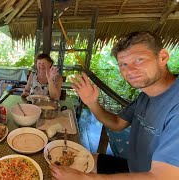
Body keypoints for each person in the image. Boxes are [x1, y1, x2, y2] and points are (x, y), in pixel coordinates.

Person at [51, 31, 179, 179]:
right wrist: (92, 102)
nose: (130, 70)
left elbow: (162, 177)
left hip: (150, 175)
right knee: (73, 158)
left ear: (163, 57)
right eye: (123, 64)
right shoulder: (146, 95)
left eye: (139, 60)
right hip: (133, 168)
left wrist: (83, 178)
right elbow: (117, 123)